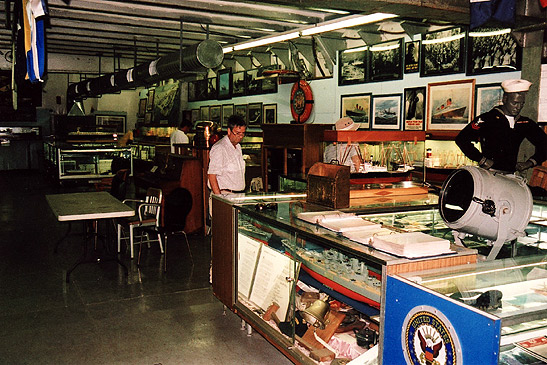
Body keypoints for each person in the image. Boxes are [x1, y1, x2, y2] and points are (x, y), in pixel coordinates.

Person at [456, 79, 547, 173]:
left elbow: (544, 143)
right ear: (505, 99)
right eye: (515, 103)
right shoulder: (487, 119)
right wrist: (481, 159)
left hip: (510, 175)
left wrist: (530, 162)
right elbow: (462, 139)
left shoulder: (524, 123)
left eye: (521, 103)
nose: (518, 107)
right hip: (489, 174)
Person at [207, 114, 247, 195]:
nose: (240, 136)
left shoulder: (238, 147)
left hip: (238, 195)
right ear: (229, 131)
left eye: (243, 133)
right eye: (237, 133)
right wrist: (220, 199)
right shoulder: (220, 148)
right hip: (225, 195)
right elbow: (212, 176)